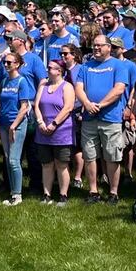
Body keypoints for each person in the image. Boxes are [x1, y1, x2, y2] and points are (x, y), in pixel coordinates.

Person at [73, 33, 127, 204]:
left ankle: (113, 192)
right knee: (89, 156)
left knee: (112, 156)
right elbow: (79, 88)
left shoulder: (118, 66)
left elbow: (119, 89)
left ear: (108, 47)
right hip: (89, 118)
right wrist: (87, 104)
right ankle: (93, 191)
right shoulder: (85, 67)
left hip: (110, 118)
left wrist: (100, 105)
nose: (96, 48)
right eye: (94, 45)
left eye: (100, 45)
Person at [33, 57, 76, 205]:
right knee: (46, 164)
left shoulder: (67, 86)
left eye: (51, 67)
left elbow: (68, 107)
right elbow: (37, 105)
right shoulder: (43, 85)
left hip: (61, 132)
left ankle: (63, 195)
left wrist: (54, 124)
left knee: (61, 164)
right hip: (43, 130)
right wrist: (40, 122)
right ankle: (47, 194)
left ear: (59, 71)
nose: (47, 70)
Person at [0, 51, 35, 206]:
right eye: (5, 62)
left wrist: (13, 125)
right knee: (7, 158)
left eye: (9, 62)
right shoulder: (4, 81)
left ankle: (17, 195)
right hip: (4, 124)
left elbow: (24, 106)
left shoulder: (22, 81)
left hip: (16, 124)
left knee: (13, 160)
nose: (6, 65)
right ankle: (12, 191)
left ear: (17, 64)